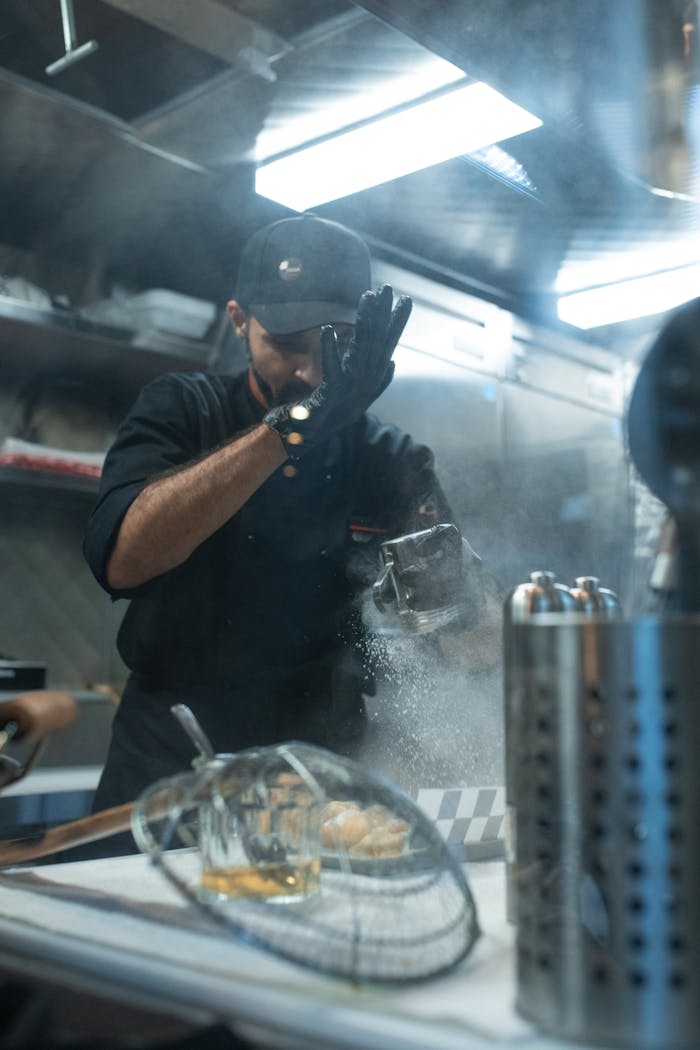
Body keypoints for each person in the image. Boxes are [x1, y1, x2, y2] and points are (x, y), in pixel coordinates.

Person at [84, 214, 497, 816]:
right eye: (286, 343)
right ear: (238, 320)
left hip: (321, 769)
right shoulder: (183, 406)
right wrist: (293, 429)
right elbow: (121, 562)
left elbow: (467, 642)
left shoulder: (389, 458)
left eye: (337, 342)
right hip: (172, 762)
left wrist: (490, 617)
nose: (311, 371)